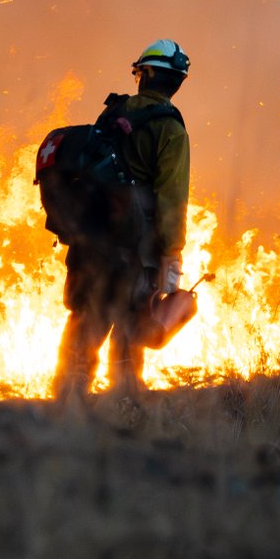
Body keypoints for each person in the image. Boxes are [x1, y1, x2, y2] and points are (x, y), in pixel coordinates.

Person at [52, 38, 191, 400]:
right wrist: (171, 255)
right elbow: (172, 198)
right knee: (131, 323)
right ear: (176, 82)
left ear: (142, 75)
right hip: (136, 249)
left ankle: (68, 396)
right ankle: (125, 401)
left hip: (91, 242)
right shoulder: (170, 130)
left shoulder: (113, 114)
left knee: (86, 316)